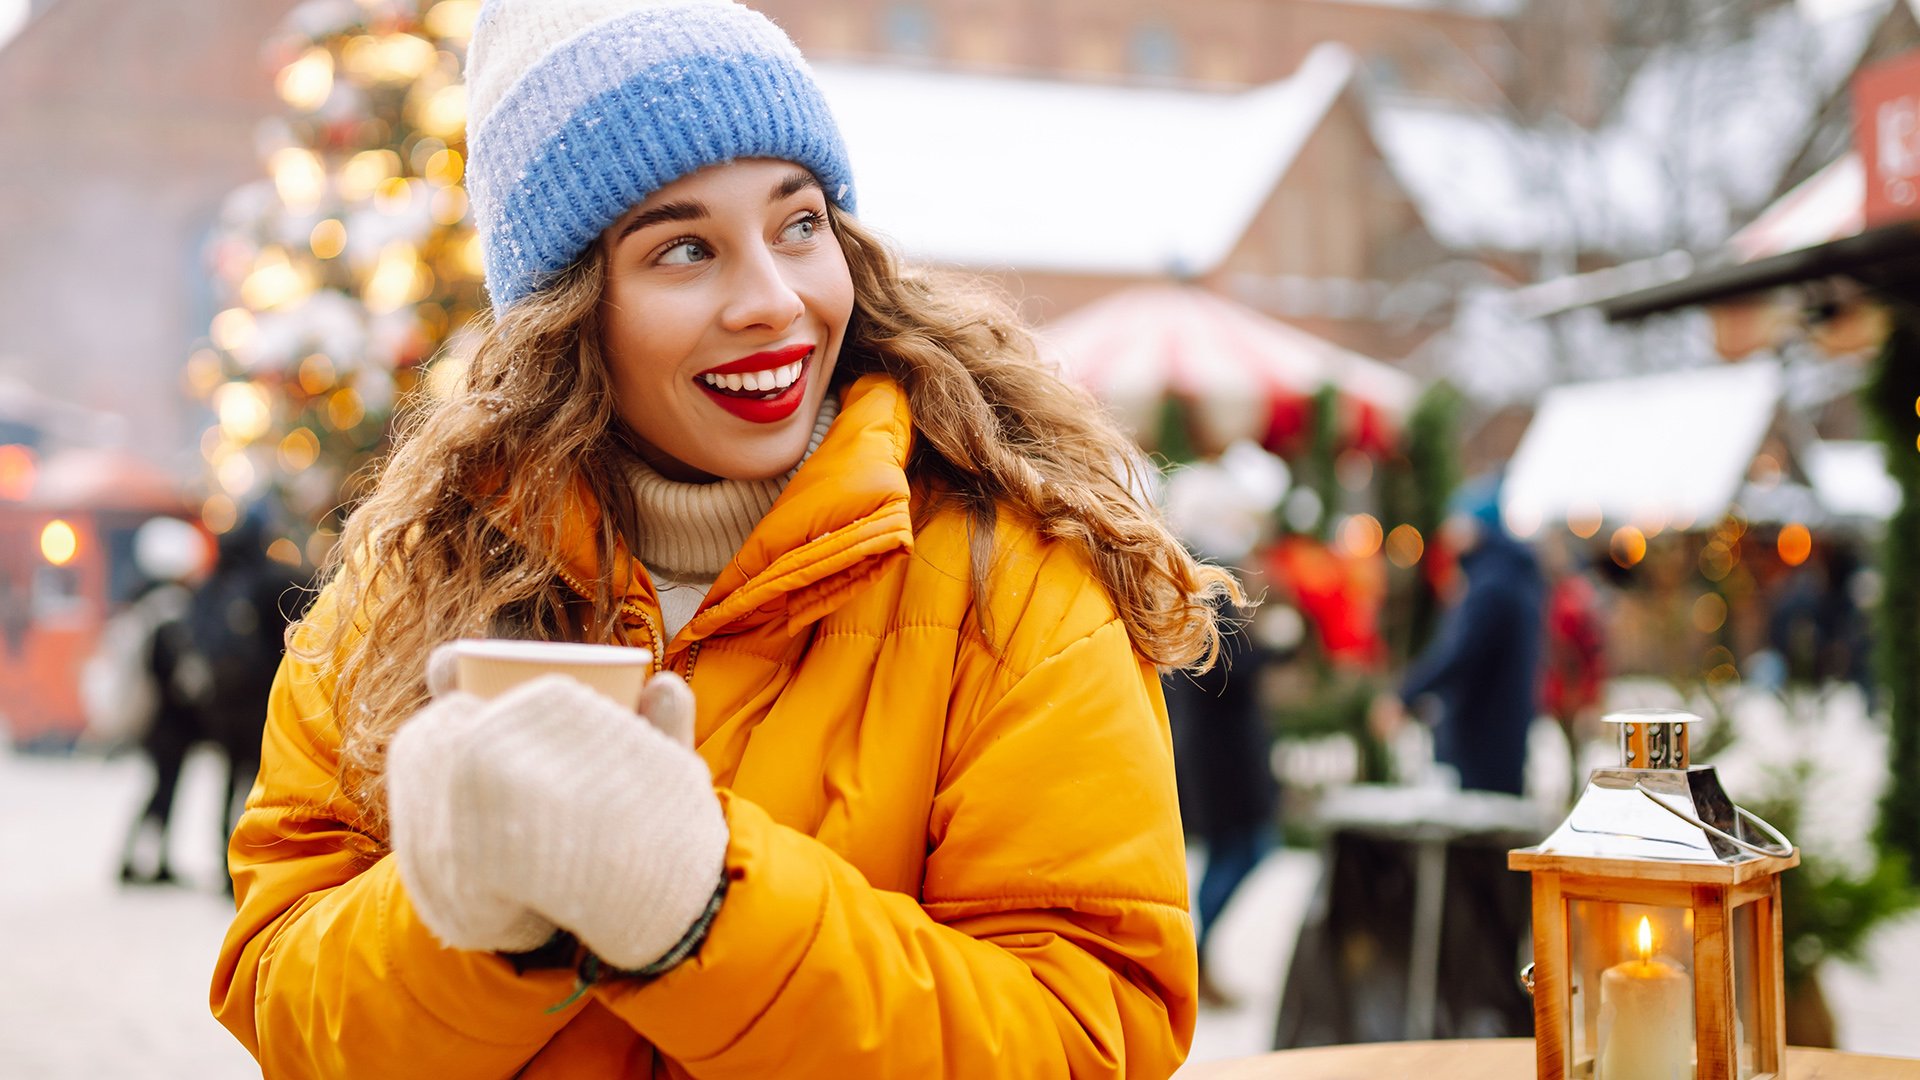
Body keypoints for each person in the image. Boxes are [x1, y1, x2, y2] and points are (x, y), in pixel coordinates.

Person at [210, 3, 1238, 1076]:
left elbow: (1086, 1036)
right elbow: (284, 1001)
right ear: (570, 314)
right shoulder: (405, 593)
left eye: (800, 225)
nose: (773, 300)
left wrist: (703, 912)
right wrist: (471, 929)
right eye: (685, 249)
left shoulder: (1015, 581)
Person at [1371, 477, 1544, 796]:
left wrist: (1405, 695)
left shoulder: (1492, 586)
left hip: (1484, 734)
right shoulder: (1508, 576)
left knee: (1484, 828)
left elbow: (1457, 654)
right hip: (1501, 729)